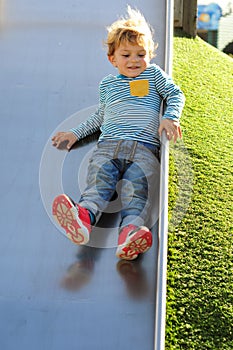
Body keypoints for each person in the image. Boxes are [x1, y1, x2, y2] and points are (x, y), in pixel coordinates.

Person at [52, 7, 185, 260]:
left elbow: (175, 94)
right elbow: (99, 117)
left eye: (141, 54)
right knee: (98, 185)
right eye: (126, 54)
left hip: (144, 150)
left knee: (137, 192)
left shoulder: (153, 75)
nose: (134, 60)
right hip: (109, 147)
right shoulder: (108, 85)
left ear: (150, 56)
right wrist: (75, 134)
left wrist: (170, 117)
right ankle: (82, 218)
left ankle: (130, 235)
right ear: (113, 58)